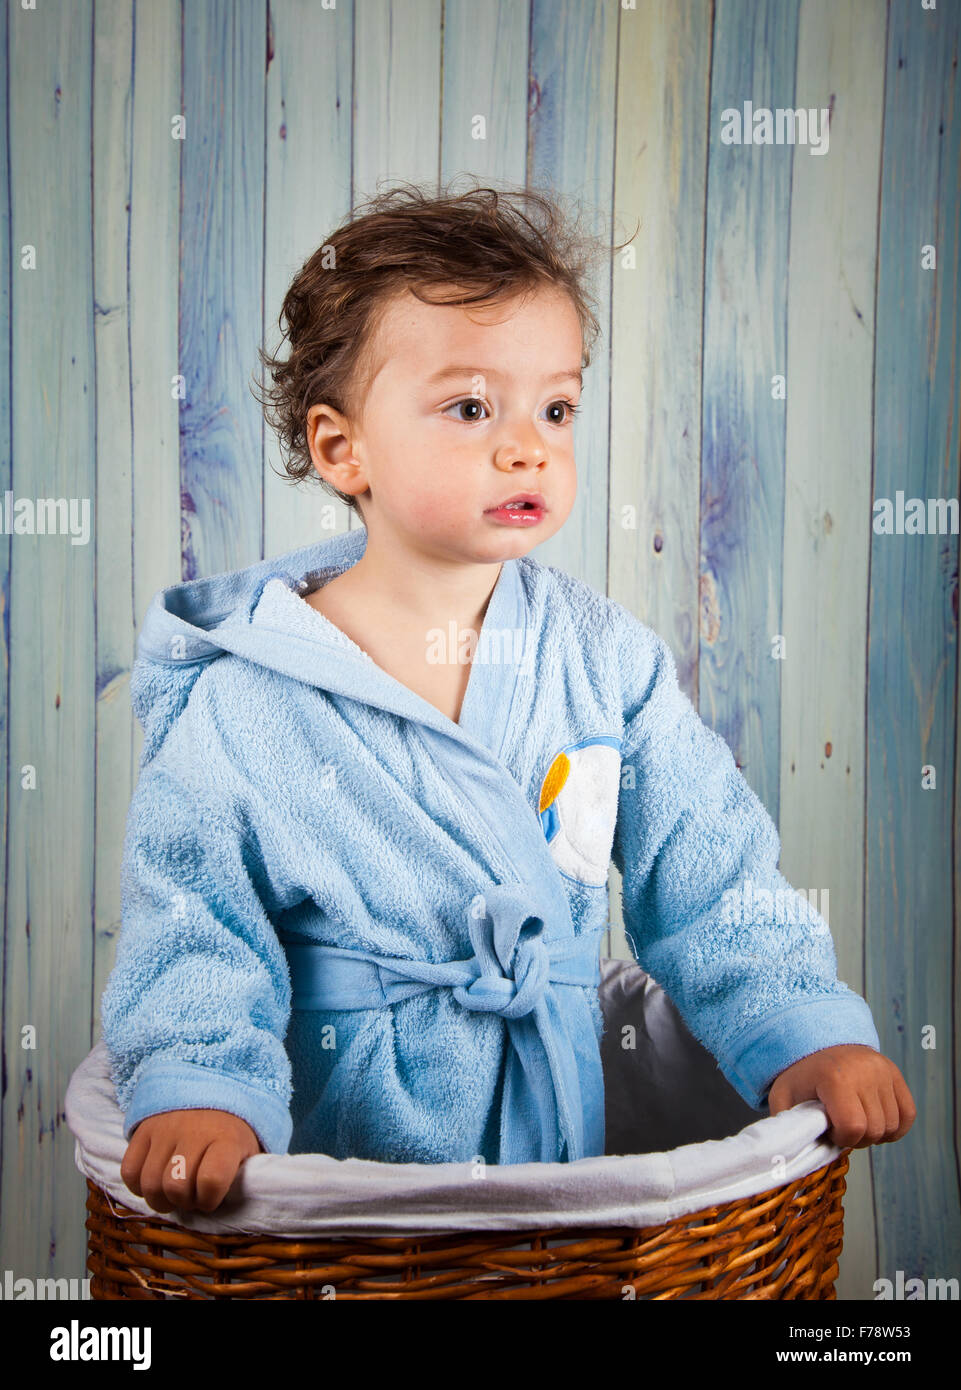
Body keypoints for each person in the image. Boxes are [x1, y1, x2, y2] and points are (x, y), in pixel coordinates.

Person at [101, 182, 915, 1216]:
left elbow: (708, 869)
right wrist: (203, 1083)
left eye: (557, 407)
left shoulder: (601, 658)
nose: (527, 443)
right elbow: (194, 921)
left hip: (555, 1154)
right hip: (336, 1178)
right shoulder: (248, 697)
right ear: (341, 446)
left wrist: (805, 1024)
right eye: (471, 407)